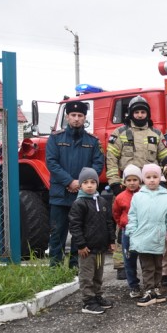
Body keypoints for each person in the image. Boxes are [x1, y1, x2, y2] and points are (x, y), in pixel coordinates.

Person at [46, 100, 104, 269]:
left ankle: (75, 266)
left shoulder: (92, 141)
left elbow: (98, 164)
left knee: (80, 232)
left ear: (85, 118)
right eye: (73, 115)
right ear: (67, 117)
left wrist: (81, 183)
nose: (77, 119)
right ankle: (55, 267)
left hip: (83, 195)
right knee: (57, 232)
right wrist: (69, 181)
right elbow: (52, 162)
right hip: (60, 194)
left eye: (80, 115)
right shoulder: (56, 138)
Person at [126, 163, 167, 307]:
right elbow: (132, 216)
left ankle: (156, 289)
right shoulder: (138, 197)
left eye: (155, 177)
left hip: (158, 237)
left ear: (159, 178)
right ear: (143, 179)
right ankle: (149, 290)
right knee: (147, 266)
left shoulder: (165, 196)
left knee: (158, 264)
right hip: (142, 238)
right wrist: (132, 232)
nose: (152, 180)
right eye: (148, 177)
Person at [68, 167, 116, 314]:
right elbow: (75, 226)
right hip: (87, 250)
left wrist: (111, 240)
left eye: (93, 182)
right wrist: (81, 245)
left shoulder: (101, 201)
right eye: (86, 182)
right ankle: (88, 302)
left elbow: (109, 222)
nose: (90, 185)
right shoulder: (79, 203)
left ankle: (97, 296)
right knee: (87, 275)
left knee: (98, 275)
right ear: (80, 185)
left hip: (100, 247)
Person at [106, 95, 167, 196]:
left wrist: (163, 180)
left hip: (152, 187)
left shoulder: (156, 134)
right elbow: (111, 160)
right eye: (136, 112)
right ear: (131, 114)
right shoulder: (119, 133)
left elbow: (165, 160)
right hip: (127, 187)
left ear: (147, 114)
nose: (140, 115)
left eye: (143, 112)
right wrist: (115, 183)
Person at [112, 165, 143, 299]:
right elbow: (116, 214)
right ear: (124, 182)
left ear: (140, 180)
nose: (132, 183)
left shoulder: (144, 195)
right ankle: (134, 286)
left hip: (143, 231)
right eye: (128, 180)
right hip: (127, 232)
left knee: (145, 259)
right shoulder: (120, 197)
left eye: (134, 179)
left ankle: (149, 284)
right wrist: (123, 223)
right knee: (129, 260)